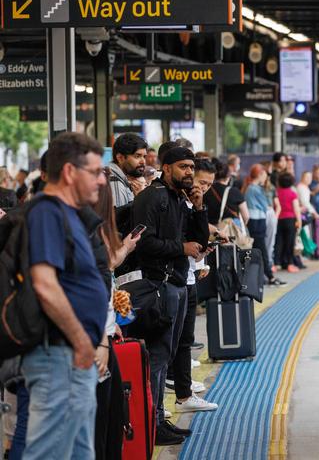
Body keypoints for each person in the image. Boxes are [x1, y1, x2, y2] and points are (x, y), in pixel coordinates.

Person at [23, 132, 108, 459]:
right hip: (61, 355)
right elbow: (44, 283)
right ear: (71, 172)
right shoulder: (47, 212)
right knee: (50, 452)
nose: (101, 181)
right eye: (95, 172)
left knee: (77, 452)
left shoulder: (70, 215)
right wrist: (82, 341)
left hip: (71, 357)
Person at [130, 146, 209, 445]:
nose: (189, 172)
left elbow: (198, 242)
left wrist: (199, 209)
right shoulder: (153, 197)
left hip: (176, 284)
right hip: (157, 286)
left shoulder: (180, 199)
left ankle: (158, 418)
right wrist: (181, 249)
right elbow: (144, 241)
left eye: (191, 167)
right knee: (158, 360)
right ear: (165, 168)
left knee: (167, 357)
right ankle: (152, 422)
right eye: (183, 166)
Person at [90, 172, 140, 460]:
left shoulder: (89, 232)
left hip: (102, 335)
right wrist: (100, 339)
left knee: (111, 416)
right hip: (92, 343)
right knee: (99, 423)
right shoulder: (83, 233)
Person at [168, 157, 219, 414]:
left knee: (185, 339)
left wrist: (201, 259)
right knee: (174, 341)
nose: (204, 188)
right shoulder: (173, 201)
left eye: (209, 185)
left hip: (188, 274)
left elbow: (196, 238)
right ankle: (176, 392)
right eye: (201, 182)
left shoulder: (195, 202)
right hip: (174, 278)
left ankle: (183, 393)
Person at [244, 164, 286, 287]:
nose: (266, 178)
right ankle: (270, 276)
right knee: (262, 249)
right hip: (257, 221)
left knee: (259, 249)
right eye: (265, 175)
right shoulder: (255, 189)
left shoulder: (250, 188)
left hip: (255, 221)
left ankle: (264, 276)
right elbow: (266, 204)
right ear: (260, 174)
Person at [204, 159, 249, 227]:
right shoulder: (235, 192)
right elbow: (246, 216)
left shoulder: (206, 190)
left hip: (211, 230)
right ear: (229, 176)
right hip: (231, 231)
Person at [108, 133, 148, 208]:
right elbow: (119, 219)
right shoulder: (115, 182)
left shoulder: (124, 179)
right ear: (120, 158)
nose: (143, 161)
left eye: (144, 156)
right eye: (137, 156)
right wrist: (140, 200)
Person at [275, 172, 302, 272]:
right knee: (290, 242)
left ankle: (276, 263)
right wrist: (299, 221)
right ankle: (290, 264)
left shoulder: (277, 192)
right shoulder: (292, 193)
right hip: (290, 220)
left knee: (279, 242)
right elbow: (296, 209)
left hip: (279, 220)